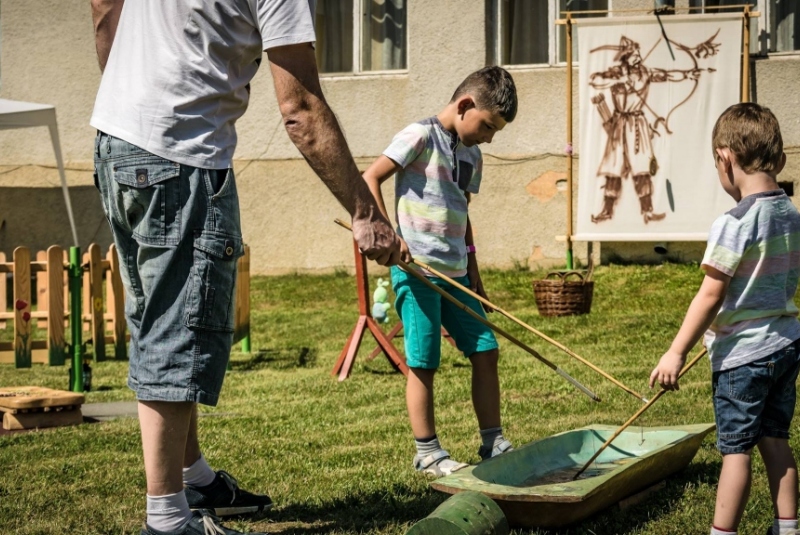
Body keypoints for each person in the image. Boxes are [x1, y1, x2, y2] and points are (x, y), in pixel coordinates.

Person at [89, 1, 402, 534]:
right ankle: (167, 521)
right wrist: (365, 211)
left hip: (116, 142)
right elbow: (299, 109)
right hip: (178, 157)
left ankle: (192, 479)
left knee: (155, 319)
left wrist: (136, 99)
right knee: (177, 329)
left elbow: (103, 7)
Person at [649, 103, 800, 535]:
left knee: (736, 450)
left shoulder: (733, 223)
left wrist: (675, 351)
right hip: (786, 346)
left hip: (744, 359)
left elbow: (711, 293)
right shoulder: (792, 216)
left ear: (724, 158)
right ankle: (788, 528)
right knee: (776, 439)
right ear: (781, 160)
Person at [362, 66, 517, 477]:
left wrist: (474, 266)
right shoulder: (419, 136)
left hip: (458, 272)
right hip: (416, 271)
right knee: (424, 359)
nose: (489, 136)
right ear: (465, 105)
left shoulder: (472, 154)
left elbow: (462, 213)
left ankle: (493, 441)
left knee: (486, 350)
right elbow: (371, 177)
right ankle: (428, 451)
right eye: (487, 126)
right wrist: (386, 235)